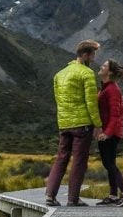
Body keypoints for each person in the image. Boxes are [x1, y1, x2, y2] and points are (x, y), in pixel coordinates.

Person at [45, 40, 105, 206]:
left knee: (61, 158)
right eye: (92, 55)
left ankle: (50, 195)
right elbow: (91, 103)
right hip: (82, 125)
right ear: (85, 54)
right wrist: (98, 125)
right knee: (79, 161)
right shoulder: (86, 74)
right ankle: (73, 199)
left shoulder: (59, 74)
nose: (93, 59)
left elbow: (58, 100)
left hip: (64, 124)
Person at [96, 59, 123, 206]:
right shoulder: (107, 87)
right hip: (107, 131)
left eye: (104, 66)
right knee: (109, 163)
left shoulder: (112, 89)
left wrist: (108, 133)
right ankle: (113, 195)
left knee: (109, 163)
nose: (101, 66)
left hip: (110, 133)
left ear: (109, 72)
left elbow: (115, 114)